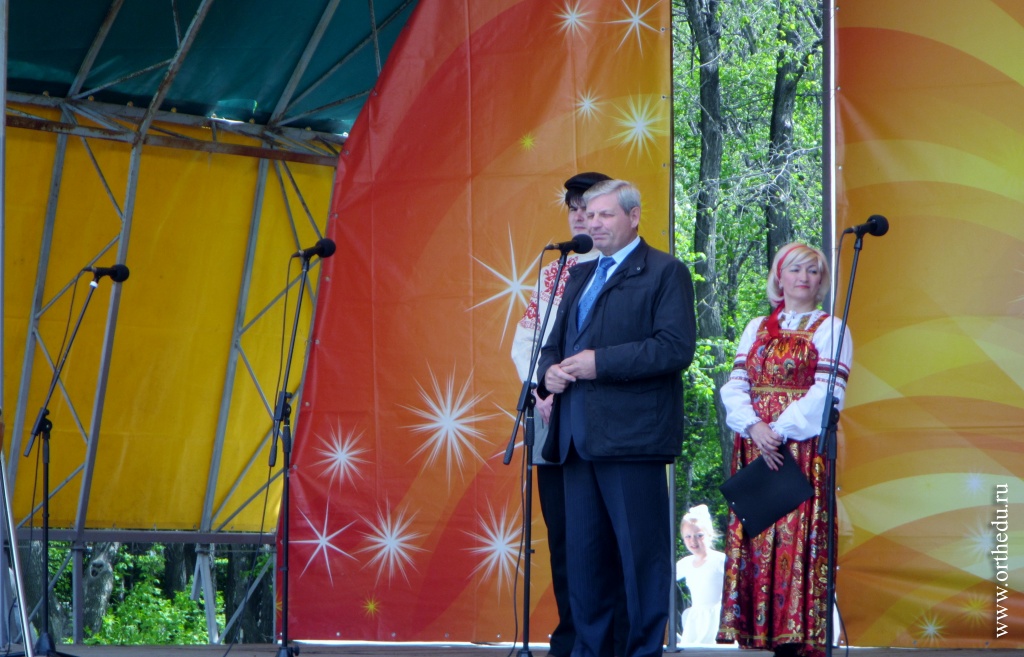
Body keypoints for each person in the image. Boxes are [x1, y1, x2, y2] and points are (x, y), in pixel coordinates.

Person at [538, 179, 697, 657]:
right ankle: (590, 651)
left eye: (605, 214)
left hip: (632, 440)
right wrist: (549, 371)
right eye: (589, 214)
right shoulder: (580, 274)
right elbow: (553, 344)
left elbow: (675, 348)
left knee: (640, 560)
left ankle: (643, 652)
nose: (594, 223)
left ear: (633, 216)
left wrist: (599, 363)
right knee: (585, 564)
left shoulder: (665, 271)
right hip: (576, 439)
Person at [716, 242, 853, 657]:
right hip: (756, 445)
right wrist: (754, 427)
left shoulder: (831, 328)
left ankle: (797, 638)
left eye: (813, 271)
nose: (804, 278)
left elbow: (827, 393)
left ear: (821, 280)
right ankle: (759, 632)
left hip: (800, 449)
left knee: (797, 538)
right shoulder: (757, 326)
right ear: (779, 276)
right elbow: (735, 385)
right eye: (795, 269)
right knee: (758, 536)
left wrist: (778, 430)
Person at [511, 171, 627, 657]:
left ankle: (616, 638)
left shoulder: (628, 267)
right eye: (575, 209)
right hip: (553, 416)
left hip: (606, 421)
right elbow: (527, 340)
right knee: (563, 534)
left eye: (592, 209)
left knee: (612, 537)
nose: (582, 218)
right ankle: (572, 636)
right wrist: (540, 387)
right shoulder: (555, 271)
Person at [674, 504, 725, 645]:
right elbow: (666, 579)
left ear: (709, 534)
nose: (693, 541)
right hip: (696, 620)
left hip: (716, 618)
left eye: (699, 536)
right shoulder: (685, 563)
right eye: (688, 536)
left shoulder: (719, 560)